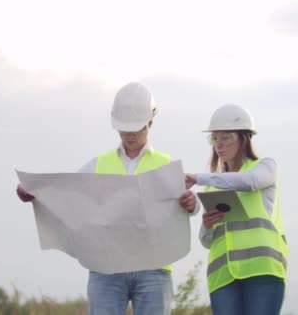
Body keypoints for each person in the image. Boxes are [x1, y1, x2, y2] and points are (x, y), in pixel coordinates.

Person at [16, 82, 198, 315]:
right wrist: (34, 192)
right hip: (106, 268)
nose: (129, 136)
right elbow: (67, 192)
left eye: (135, 129)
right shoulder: (97, 165)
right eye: (124, 130)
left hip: (154, 269)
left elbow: (190, 208)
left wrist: (193, 204)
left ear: (150, 123)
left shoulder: (167, 165)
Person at [185, 104, 289, 315]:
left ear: (244, 138)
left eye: (226, 137)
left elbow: (248, 182)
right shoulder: (212, 186)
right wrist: (207, 225)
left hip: (262, 272)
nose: (218, 145)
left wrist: (198, 177)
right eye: (214, 138)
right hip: (222, 278)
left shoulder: (265, 167)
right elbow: (206, 241)